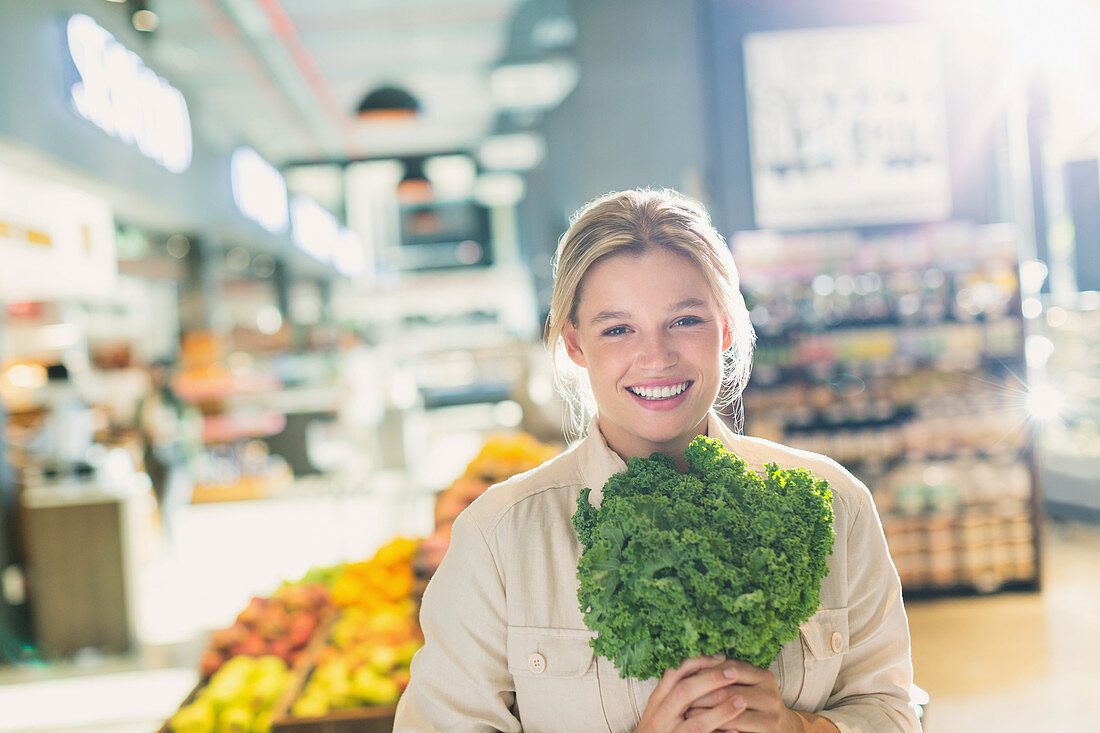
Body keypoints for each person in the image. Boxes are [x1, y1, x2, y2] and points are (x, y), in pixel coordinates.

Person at [394, 189, 921, 732]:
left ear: (725, 328)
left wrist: (798, 729)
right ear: (576, 344)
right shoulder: (499, 538)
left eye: (685, 320)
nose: (657, 357)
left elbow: (893, 710)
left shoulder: (835, 505)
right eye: (618, 329)